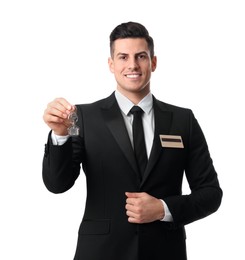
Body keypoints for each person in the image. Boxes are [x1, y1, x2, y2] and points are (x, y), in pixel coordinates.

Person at [42, 21, 223, 260]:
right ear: (111, 64)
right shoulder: (81, 117)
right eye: (123, 57)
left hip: (165, 251)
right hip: (101, 253)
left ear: (153, 62)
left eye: (141, 56)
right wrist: (60, 135)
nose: (132, 65)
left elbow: (211, 194)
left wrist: (163, 209)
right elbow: (57, 184)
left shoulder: (183, 120)